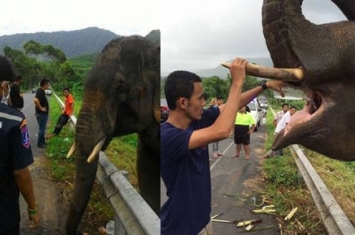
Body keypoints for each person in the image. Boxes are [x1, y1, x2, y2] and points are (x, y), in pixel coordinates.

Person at [161, 57, 285, 235]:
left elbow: (232, 106)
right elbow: (223, 131)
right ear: (183, 103)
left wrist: (264, 85)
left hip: (203, 220)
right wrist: (237, 83)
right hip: (182, 228)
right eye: (201, 98)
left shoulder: (195, 121)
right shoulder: (167, 136)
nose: (205, 103)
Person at [0, 55, 40, 235]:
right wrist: (32, 207)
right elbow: (20, 172)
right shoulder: (15, 120)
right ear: (4, 86)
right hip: (4, 214)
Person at [34, 79, 50, 148]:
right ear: (45, 84)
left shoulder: (41, 91)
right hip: (41, 114)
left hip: (41, 113)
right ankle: (40, 144)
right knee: (42, 129)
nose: (48, 85)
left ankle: (42, 142)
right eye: (48, 84)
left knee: (42, 128)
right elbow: (35, 100)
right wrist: (41, 108)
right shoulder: (40, 91)